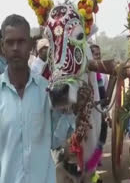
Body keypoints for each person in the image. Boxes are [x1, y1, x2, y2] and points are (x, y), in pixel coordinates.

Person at [0, 14, 75, 183]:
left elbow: (55, 141)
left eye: (21, 41)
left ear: (30, 46)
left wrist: (68, 111)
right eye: (10, 42)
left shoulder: (47, 90)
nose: (15, 48)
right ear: (2, 47)